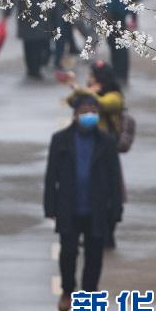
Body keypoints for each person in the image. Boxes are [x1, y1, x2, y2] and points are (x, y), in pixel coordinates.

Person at [44, 94, 122, 311]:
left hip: (97, 207)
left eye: (93, 112)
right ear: (75, 114)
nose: (89, 115)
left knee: (95, 253)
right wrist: (50, 206)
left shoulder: (105, 141)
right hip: (69, 206)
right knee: (68, 252)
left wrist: (116, 208)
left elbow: (115, 177)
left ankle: (89, 292)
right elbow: (51, 176)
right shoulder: (61, 140)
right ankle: (68, 290)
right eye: (85, 111)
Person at [65, 61, 125, 248]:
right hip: (86, 148)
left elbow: (100, 103)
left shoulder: (114, 97)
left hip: (105, 151)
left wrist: (81, 89)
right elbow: (71, 101)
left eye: (92, 76)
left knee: (110, 190)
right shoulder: (88, 94)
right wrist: (79, 89)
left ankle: (109, 231)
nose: (89, 79)